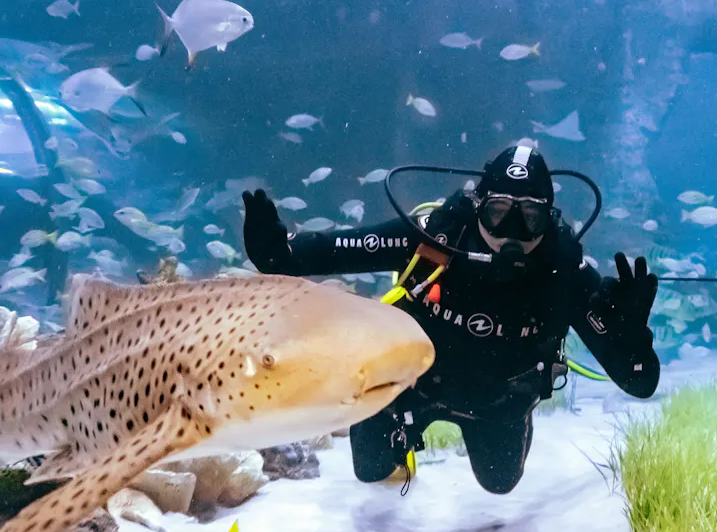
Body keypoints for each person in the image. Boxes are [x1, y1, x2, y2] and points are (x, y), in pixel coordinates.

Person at [241, 145, 660, 494]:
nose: (512, 230)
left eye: (530, 216)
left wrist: (632, 337)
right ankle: (401, 438)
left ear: (549, 218)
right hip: (411, 387)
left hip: (500, 403)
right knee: (369, 471)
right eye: (498, 211)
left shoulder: (565, 273)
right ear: (478, 206)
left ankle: (510, 426)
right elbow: (332, 250)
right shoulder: (437, 238)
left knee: (499, 483)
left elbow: (640, 382)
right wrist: (276, 252)